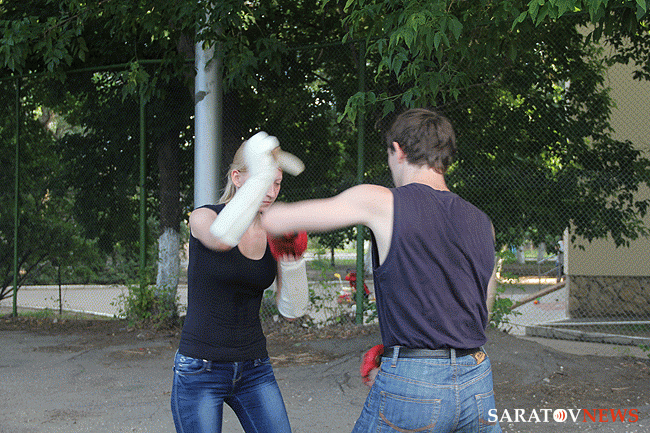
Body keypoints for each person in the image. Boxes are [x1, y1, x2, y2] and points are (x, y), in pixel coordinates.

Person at [261, 108, 502, 432]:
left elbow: (276, 220)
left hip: (415, 382)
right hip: (477, 381)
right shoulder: (482, 222)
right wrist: (399, 354)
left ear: (398, 151)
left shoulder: (382, 201)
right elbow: (482, 311)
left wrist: (261, 170)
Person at [171, 133, 305, 433]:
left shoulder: (275, 232)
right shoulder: (203, 217)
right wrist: (260, 177)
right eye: (263, 180)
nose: (271, 191)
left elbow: (292, 312)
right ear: (237, 177)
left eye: (276, 183)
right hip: (200, 368)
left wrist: (293, 261)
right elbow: (222, 238)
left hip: (254, 367)